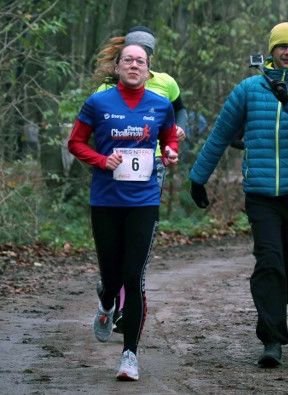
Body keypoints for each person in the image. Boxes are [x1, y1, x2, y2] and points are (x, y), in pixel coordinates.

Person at [188, 22, 288, 367]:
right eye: (281, 46)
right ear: (271, 51)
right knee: (269, 262)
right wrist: (198, 178)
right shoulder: (250, 89)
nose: (287, 52)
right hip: (262, 194)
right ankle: (272, 340)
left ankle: (272, 311)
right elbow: (221, 133)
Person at [68, 43, 179, 381]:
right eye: (128, 60)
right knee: (112, 277)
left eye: (140, 61)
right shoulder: (98, 103)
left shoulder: (160, 105)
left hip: (144, 201)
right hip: (105, 200)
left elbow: (170, 139)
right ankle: (105, 305)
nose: (134, 65)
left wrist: (170, 153)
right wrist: (102, 161)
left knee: (133, 277)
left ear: (148, 70)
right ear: (117, 67)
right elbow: (76, 142)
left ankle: (129, 354)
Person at [93, 25, 188, 333]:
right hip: (113, 173)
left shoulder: (166, 84)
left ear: (151, 58)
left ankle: (127, 300)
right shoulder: (105, 90)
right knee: (115, 248)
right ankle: (112, 288)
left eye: (144, 56)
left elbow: (179, 112)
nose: (137, 62)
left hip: (154, 164)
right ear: (121, 59)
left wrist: (174, 138)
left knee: (138, 244)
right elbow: (92, 131)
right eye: (131, 55)